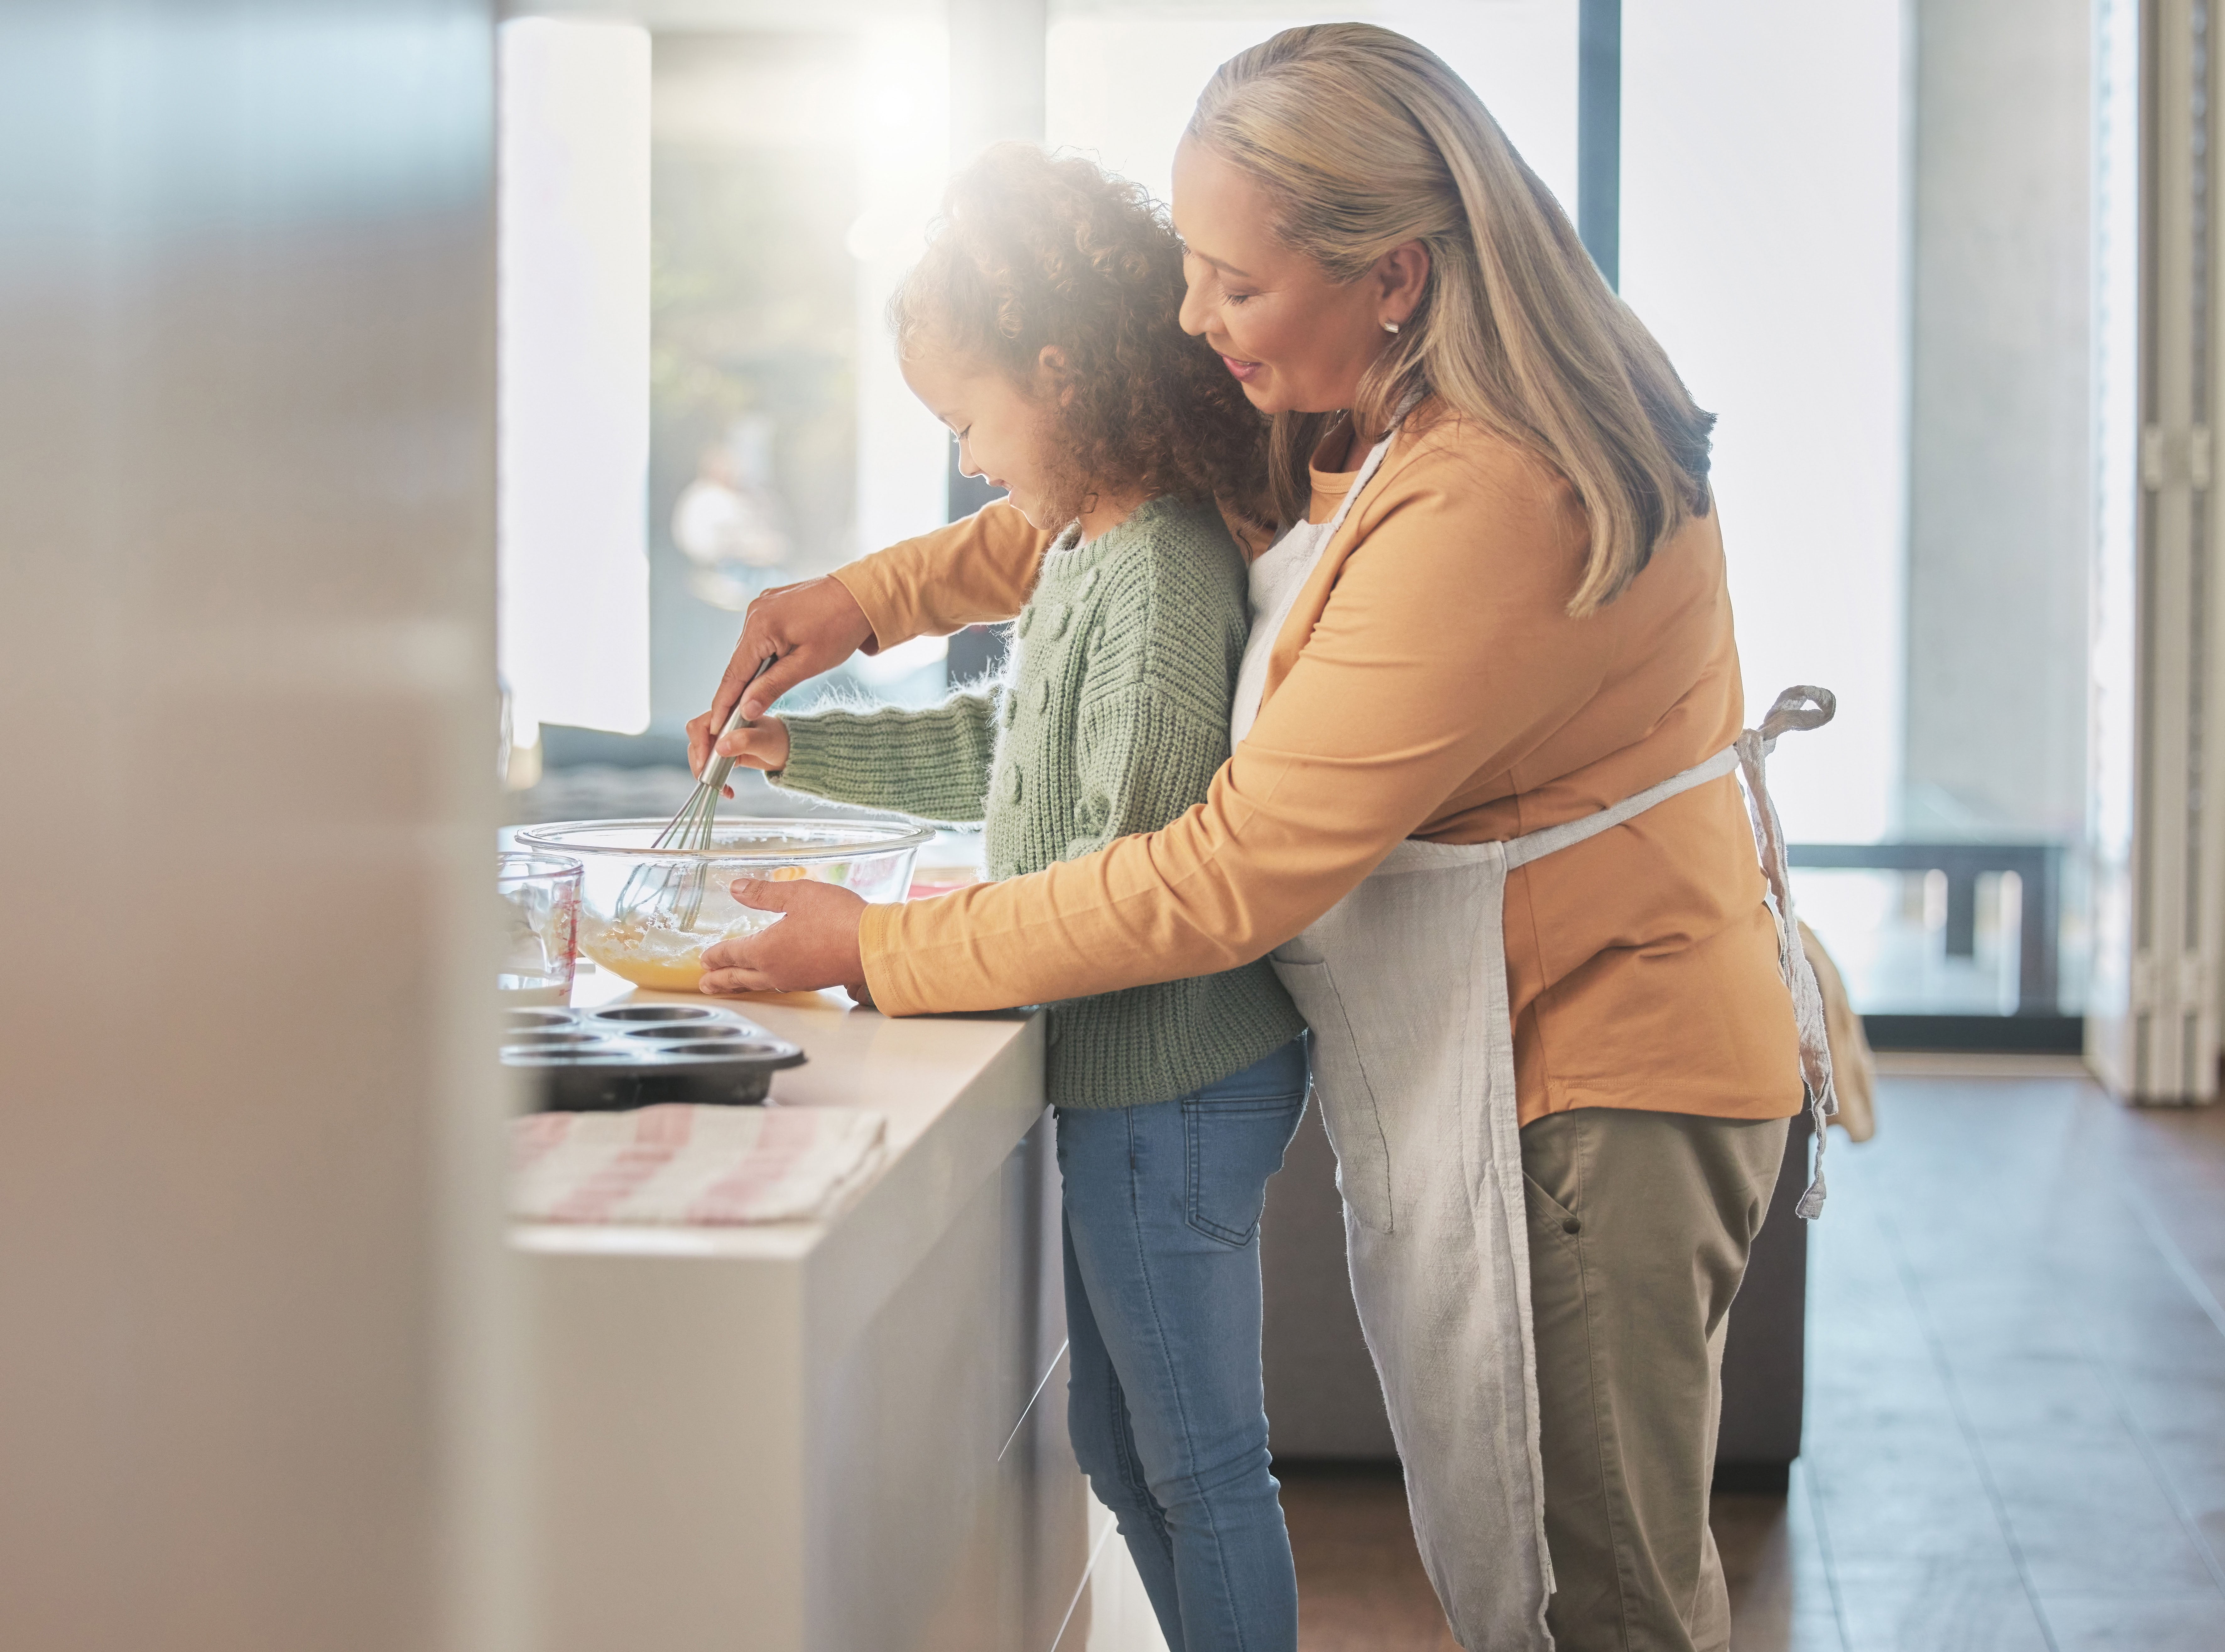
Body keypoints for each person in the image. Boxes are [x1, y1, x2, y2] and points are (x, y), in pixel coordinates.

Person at [690, 24, 1834, 1652]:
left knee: (1600, 1601)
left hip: (1602, 1073)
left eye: (1231, 279)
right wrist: (864, 601)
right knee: (1525, 1573)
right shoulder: (1367, 398)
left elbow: (1227, 867)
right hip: (1515, 1046)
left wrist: (877, 949)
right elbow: (1102, 495)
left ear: (1395, 272)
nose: (1188, 315)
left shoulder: (1494, 490)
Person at [711, 144, 1310, 1652]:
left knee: (1197, 1465)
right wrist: (807, 747)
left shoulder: (1161, 564)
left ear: (1058, 377)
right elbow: (1006, 743)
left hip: (1174, 1083)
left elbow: (1119, 866)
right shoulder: (1086, 550)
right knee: (1122, 1454)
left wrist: (873, 955)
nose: (971, 460)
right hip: (1128, 1080)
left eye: (970, 419)